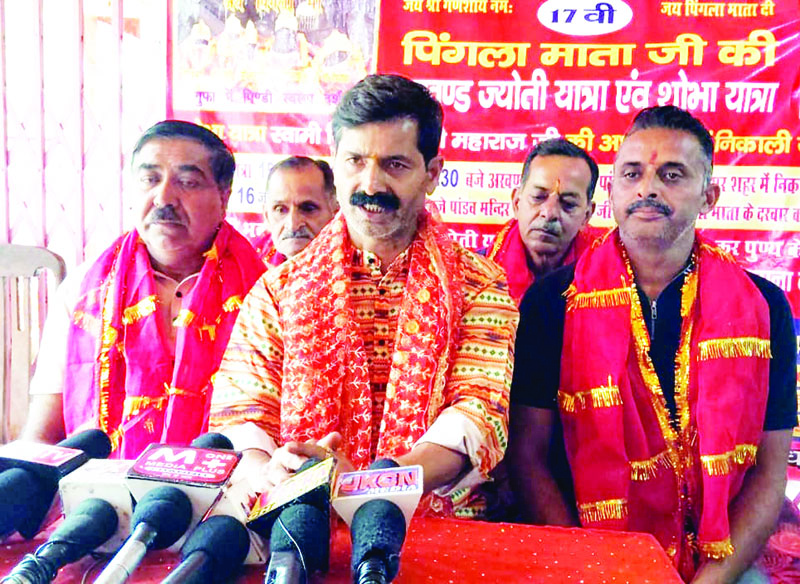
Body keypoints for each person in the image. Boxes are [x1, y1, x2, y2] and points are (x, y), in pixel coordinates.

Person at [507, 106, 796, 582]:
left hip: (716, 553)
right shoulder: (551, 303)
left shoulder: (762, 308)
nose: (647, 188)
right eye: (632, 173)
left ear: (709, 196)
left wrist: (711, 578)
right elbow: (529, 457)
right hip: (581, 552)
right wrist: (588, 568)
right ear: (614, 191)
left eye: (672, 174)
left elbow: (769, 472)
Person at [209, 74, 518, 518]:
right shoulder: (278, 290)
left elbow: (477, 417)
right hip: (296, 522)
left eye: (394, 164)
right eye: (355, 160)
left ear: (431, 174)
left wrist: (369, 485)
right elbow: (243, 414)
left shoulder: (478, 283)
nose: (370, 184)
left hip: (433, 525)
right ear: (335, 165)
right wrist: (270, 469)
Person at [21, 121, 265, 458]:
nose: (164, 197)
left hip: (231, 497)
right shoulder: (83, 293)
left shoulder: (265, 293)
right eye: (150, 180)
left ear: (224, 197)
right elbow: (43, 435)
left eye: (188, 182)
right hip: (101, 495)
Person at [486, 138, 598, 304]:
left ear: (586, 215)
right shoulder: (474, 276)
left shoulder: (609, 282)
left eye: (568, 204)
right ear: (517, 203)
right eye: (538, 198)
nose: (549, 213)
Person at [251, 156, 337, 267]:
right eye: (281, 210)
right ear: (266, 216)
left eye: (308, 209)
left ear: (335, 212)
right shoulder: (250, 266)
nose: (293, 225)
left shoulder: (357, 269)